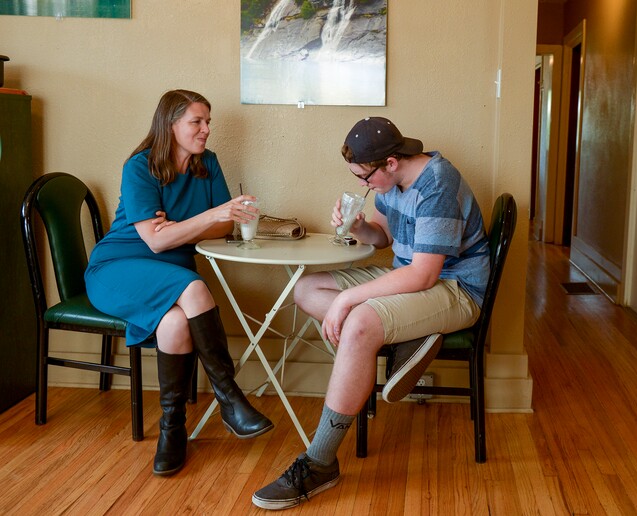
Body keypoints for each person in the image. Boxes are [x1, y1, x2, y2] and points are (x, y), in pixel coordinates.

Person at [252, 117, 490, 510]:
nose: (364, 184)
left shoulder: (438, 184)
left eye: (365, 177)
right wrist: (362, 228)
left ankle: (319, 462)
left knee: (361, 321)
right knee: (307, 289)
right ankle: (406, 335)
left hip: (456, 288)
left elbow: (425, 272)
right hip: (412, 278)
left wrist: (350, 301)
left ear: (391, 163)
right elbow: (385, 237)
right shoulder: (391, 182)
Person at [85, 89, 273, 477]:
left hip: (171, 272)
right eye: (196, 122)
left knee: (174, 322)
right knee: (194, 288)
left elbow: (226, 224)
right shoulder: (140, 167)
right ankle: (231, 399)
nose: (206, 130)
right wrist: (204, 218)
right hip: (119, 267)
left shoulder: (209, 164)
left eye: (208, 122)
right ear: (170, 125)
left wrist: (184, 226)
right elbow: (155, 240)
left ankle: (172, 428)